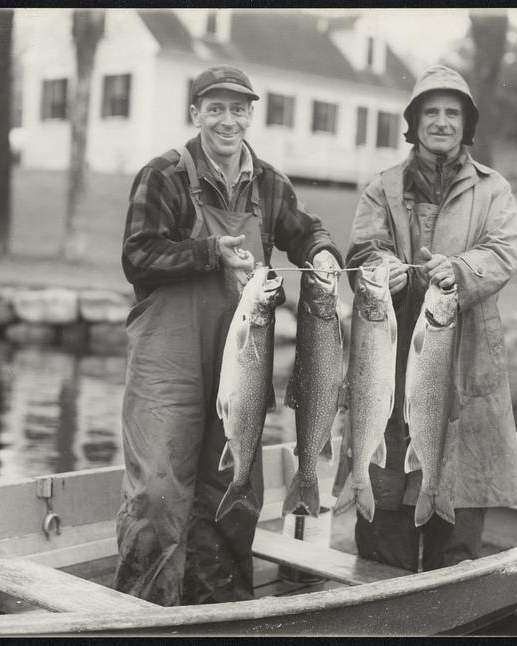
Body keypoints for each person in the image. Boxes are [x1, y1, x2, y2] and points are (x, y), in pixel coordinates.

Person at [114, 64, 342, 606]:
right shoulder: (164, 175)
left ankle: (218, 614)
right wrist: (209, 252)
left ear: (250, 116)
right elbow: (137, 256)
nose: (227, 120)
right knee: (157, 493)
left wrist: (324, 254)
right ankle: (144, 613)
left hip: (242, 357)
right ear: (195, 113)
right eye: (214, 108)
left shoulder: (269, 183)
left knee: (232, 492)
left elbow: (307, 231)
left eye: (238, 109)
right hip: (166, 361)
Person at [341, 64, 517, 572]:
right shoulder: (383, 187)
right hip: (388, 359)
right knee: (382, 522)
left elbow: (503, 253)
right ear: (413, 122)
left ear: (467, 125)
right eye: (431, 112)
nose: (441, 122)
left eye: (452, 113)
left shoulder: (494, 190)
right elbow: (364, 250)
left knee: (458, 526)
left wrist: (459, 269)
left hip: (467, 365)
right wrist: (380, 270)